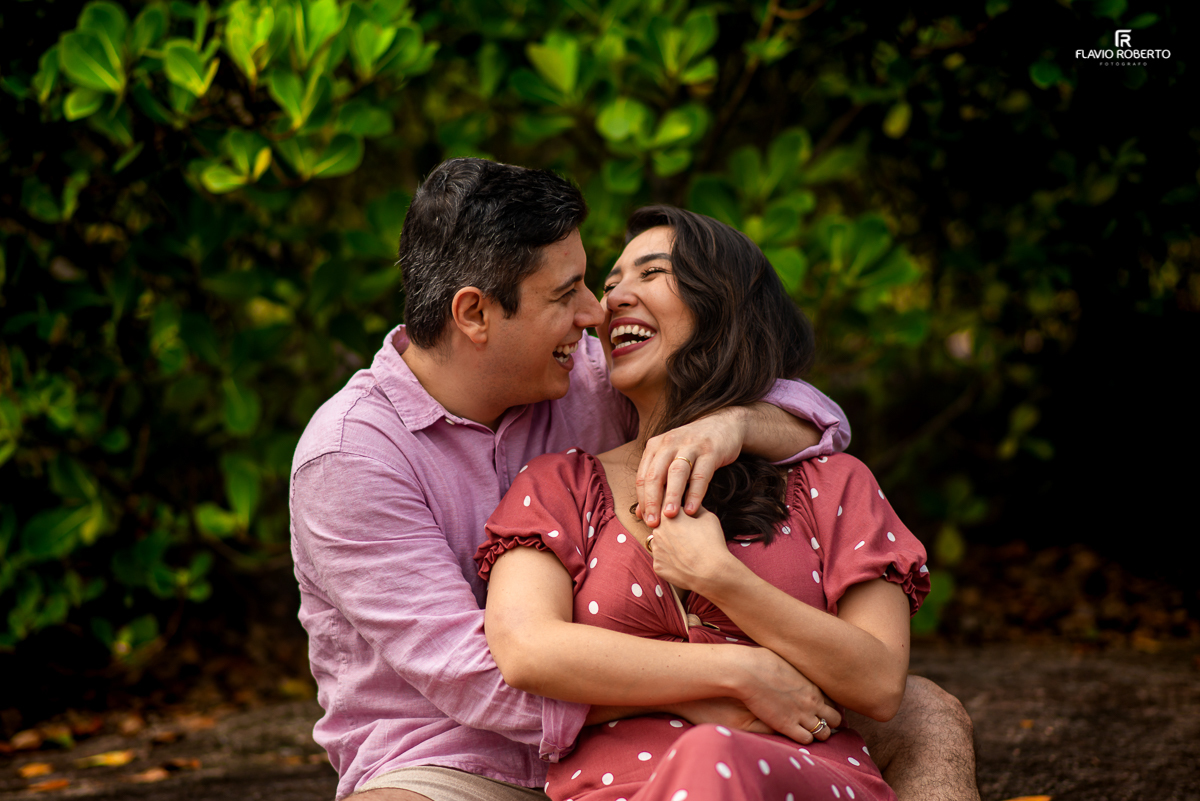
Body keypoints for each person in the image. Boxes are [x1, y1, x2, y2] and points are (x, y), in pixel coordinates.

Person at [289, 158, 979, 801]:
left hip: (674, 728)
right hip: (456, 762)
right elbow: (478, 674)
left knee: (924, 711)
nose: (596, 312)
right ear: (474, 313)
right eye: (568, 294)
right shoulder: (350, 458)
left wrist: (733, 424)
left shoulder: (586, 377)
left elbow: (808, 411)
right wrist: (726, 677)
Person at [475, 206, 930, 801]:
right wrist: (742, 676)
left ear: (725, 307)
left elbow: (877, 682)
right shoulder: (560, 484)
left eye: (652, 273)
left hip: (799, 783)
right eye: (610, 284)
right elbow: (527, 649)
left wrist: (718, 576)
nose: (612, 299)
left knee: (710, 755)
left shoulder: (833, 484)